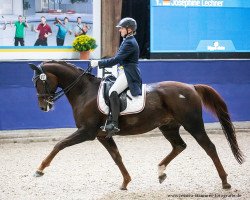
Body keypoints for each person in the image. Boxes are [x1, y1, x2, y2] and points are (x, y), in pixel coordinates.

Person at [90, 17, 142, 137]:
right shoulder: (127, 40)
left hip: (129, 72)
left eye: (122, 28)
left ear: (129, 29)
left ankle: (114, 123)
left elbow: (116, 60)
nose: (120, 30)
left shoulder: (129, 42)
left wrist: (98, 63)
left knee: (113, 92)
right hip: (124, 70)